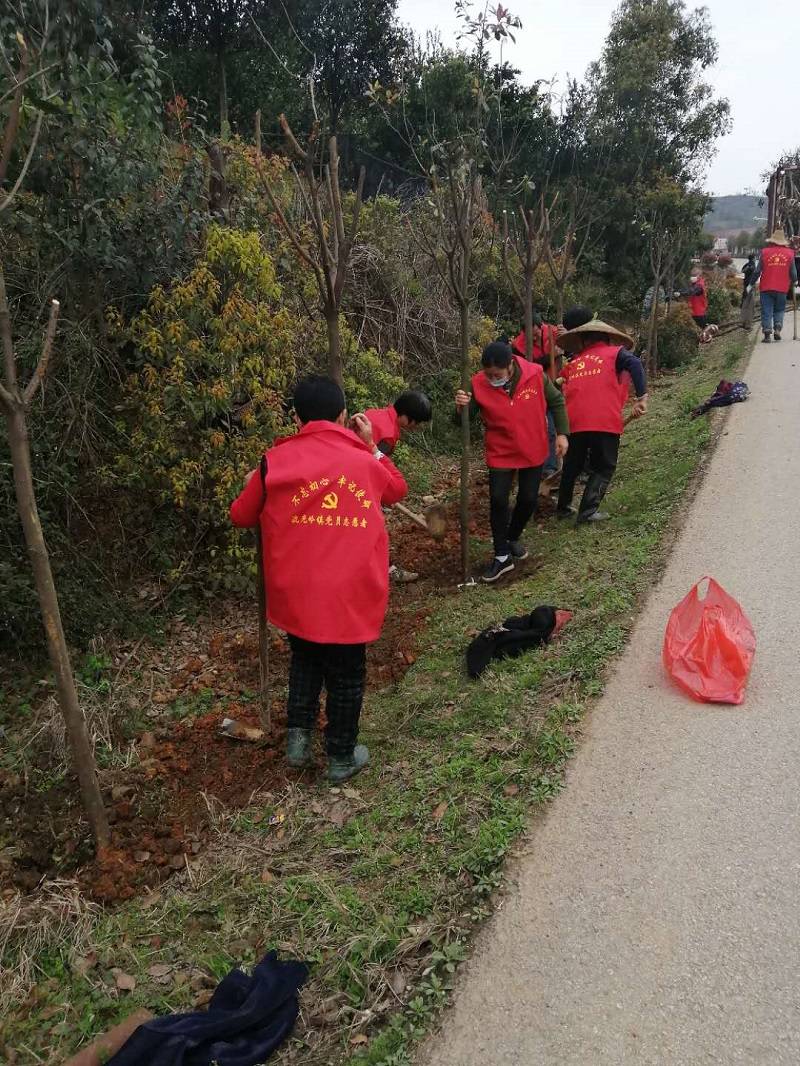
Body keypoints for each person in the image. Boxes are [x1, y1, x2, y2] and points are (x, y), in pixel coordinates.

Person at [230, 375, 408, 782]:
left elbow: (241, 516)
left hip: (297, 594)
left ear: (296, 417)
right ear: (344, 415)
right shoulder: (363, 460)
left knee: (306, 660)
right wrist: (371, 446)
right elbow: (397, 490)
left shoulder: (273, 461)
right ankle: (341, 757)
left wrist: (250, 485)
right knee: (346, 674)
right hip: (351, 592)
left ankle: (298, 743)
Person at [455, 340, 569, 583]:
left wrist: (561, 434)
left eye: (497, 375)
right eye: (488, 374)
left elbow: (557, 401)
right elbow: (462, 422)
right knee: (497, 499)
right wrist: (460, 408)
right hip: (500, 449)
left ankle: (513, 536)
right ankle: (502, 555)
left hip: (533, 446)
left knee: (528, 499)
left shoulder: (535, 374)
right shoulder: (477, 383)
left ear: (511, 366)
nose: (492, 378)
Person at [556, 311, 648, 525]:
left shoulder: (575, 362)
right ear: (608, 338)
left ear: (583, 340)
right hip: (603, 420)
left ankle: (562, 508)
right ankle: (587, 512)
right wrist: (642, 397)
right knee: (603, 466)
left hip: (574, 422)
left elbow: (556, 385)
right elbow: (635, 364)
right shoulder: (616, 353)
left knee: (572, 466)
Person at [365, 390, 433, 584]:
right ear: (405, 417)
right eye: (416, 422)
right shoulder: (388, 435)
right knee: (375, 529)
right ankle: (387, 570)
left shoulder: (375, 414)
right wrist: (383, 493)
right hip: (358, 484)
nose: (415, 427)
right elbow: (373, 465)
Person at [511, 315, 561, 479]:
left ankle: (557, 466)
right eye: (529, 336)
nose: (533, 338)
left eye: (536, 334)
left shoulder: (556, 333)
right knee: (546, 428)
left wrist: (565, 339)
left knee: (561, 427)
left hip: (560, 383)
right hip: (536, 387)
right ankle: (546, 467)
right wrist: (550, 357)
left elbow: (572, 348)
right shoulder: (518, 345)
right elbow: (527, 367)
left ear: (542, 327)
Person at [750, 229, 798, 342]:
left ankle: (767, 334)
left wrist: (750, 284)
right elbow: (793, 272)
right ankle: (777, 328)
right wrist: (795, 281)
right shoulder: (790, 253)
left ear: (772, 241)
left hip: (766, 287)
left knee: (767, 310)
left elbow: (757, 271)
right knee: (779, 309)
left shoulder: (765, 252)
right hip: (782, 288)